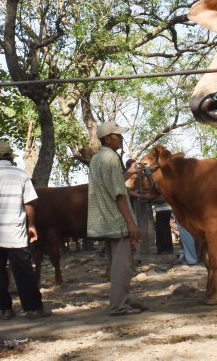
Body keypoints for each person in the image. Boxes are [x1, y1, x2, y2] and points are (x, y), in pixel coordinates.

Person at [0, 142, 50, 319]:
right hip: (15, 232)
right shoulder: (21, 175)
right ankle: (33, 309)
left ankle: (3, 310)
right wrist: (31, 225)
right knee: (23, 270)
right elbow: (29, 204)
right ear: (10, 157)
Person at [87, 121, 143, 315]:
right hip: (117, 220)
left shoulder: (97, 158)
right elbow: (119, 194)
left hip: (105, 219)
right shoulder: (110, 158)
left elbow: (112, 184)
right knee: (123, 266)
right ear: (108, 138)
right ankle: (119, 306)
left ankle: (123, 300)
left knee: (116, 264)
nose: (121, 138)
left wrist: (128, 172)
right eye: (117, 135)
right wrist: (131, 223)